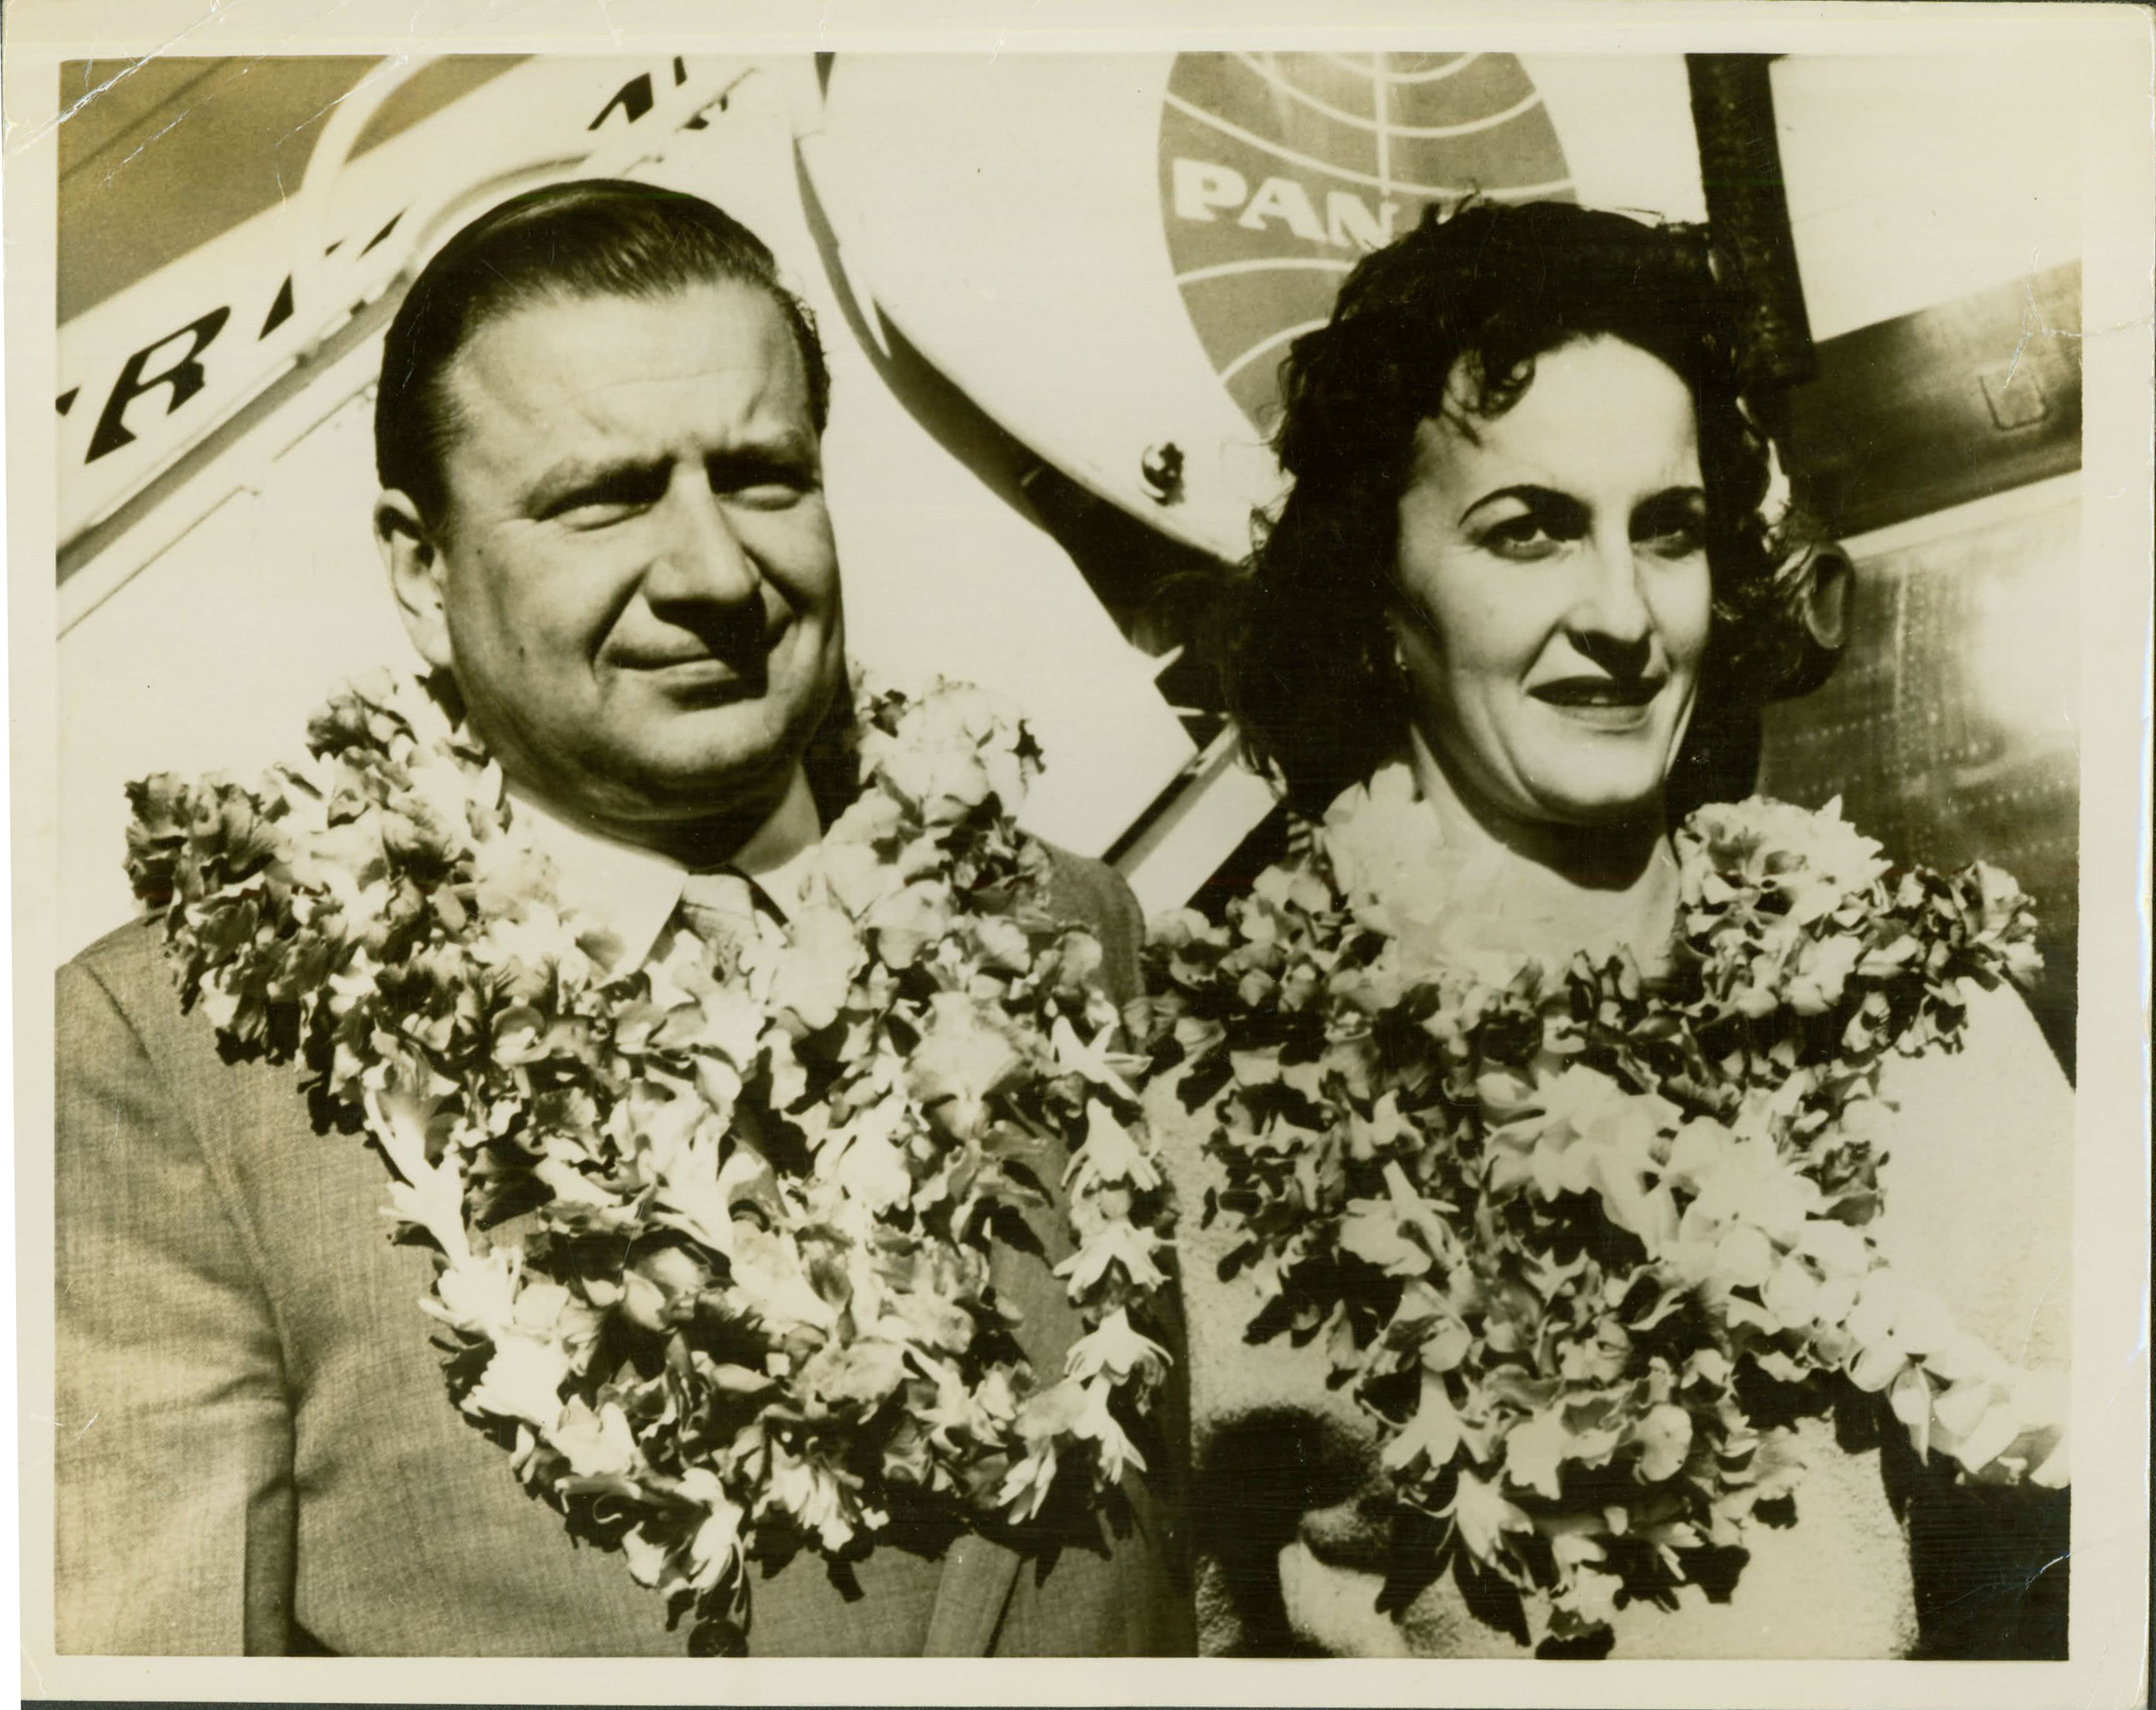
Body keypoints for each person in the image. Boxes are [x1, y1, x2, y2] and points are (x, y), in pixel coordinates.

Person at [56, 179, 1190, 1658]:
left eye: (764, 477)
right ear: (420, 569)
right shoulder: (179, 1069)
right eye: (605, 496)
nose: (716, 574)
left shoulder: (1063, 922)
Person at [1150, 201, 2072, 1658]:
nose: (1624, 616)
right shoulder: (1222, 1101)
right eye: (1529, 531)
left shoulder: (1918, 1019)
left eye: (1669, 531)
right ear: (1378, 591)